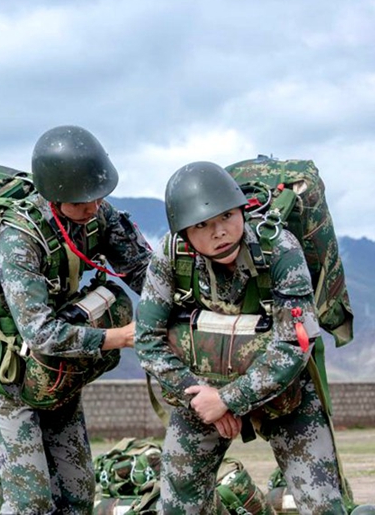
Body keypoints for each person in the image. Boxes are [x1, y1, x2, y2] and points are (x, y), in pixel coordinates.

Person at [134, 161, 347, 515]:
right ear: (183, 232)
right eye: (201, 225)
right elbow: (148, 340)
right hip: (200, 390)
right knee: (177, 503)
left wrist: (229, 399)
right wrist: (202, 399)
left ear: (242, 211)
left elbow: (295, 343)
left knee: (323, 503)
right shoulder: (171, 257)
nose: (219, 232)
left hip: (283, 392)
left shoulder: (280, 249)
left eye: (227, 217)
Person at [0, 125, 152, 514]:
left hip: (57, 372)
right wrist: (121, 337)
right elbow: (41, 333)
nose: (93, 207)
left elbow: (142, 271)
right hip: (5, 376)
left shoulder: (95, 212)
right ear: (55, 195)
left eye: (98, 196)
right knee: (30, 504)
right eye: (83, 200)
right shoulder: (18, 240)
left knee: (78, 497)